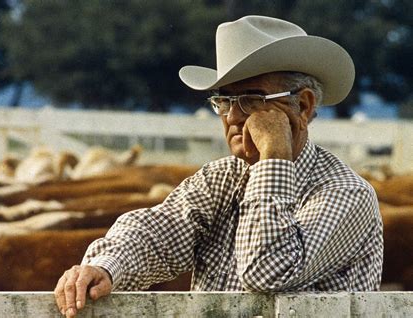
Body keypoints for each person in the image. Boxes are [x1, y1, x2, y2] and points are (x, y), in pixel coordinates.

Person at [54, 15, 383, 317]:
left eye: (253, 100)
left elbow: (266, 271)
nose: (234, 117)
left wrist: (273, 160)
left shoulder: (346, 193)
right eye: (224, 101)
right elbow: (158, 230)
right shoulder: (220, 178)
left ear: (304, 105)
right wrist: (106, 267)